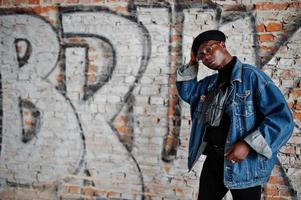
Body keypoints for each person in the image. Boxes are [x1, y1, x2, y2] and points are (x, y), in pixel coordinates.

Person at [176, 30, 294, 200]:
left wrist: (248, 145)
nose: (206, 57)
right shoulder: (210, 84)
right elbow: (188, 93)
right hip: (215, 160)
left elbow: (282, 119)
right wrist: (192, 63)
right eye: (201, 56)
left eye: (208, 50)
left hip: (244, 165)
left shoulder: (252, 76)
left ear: (222, 45)